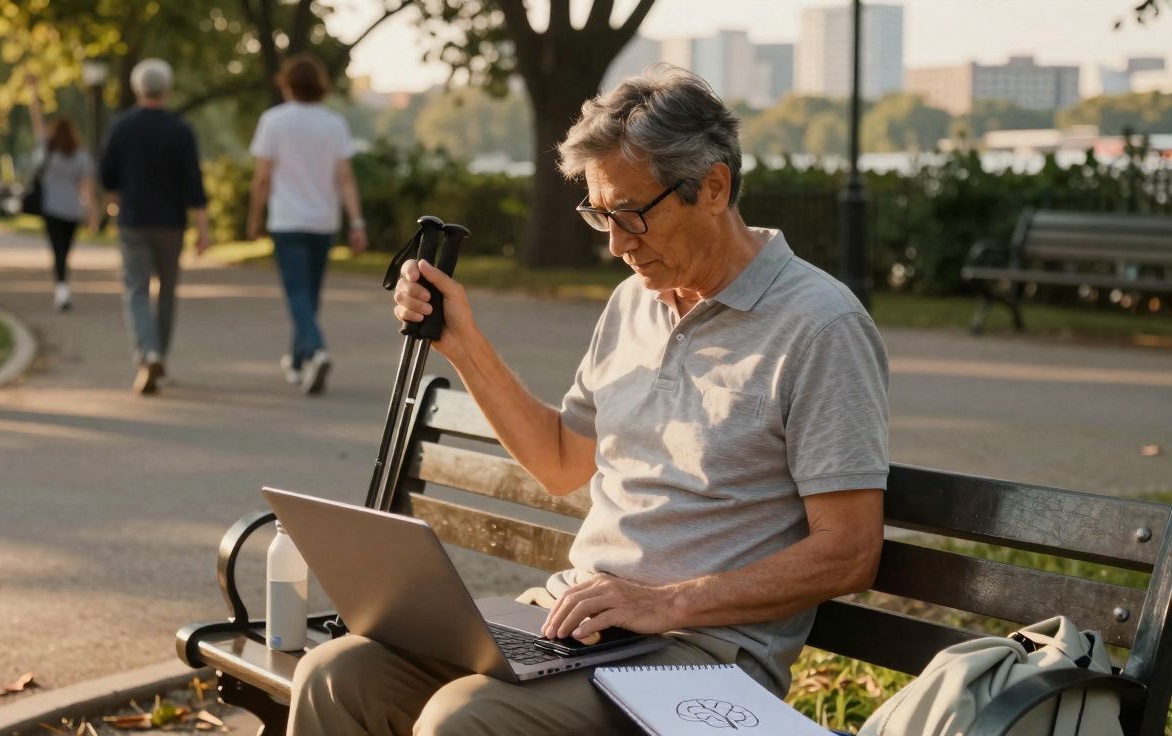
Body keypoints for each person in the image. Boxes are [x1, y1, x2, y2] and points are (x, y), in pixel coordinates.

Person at [288, 65, 890, 735]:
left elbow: (850, 550)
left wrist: (663, 603)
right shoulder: (632, 303)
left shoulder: (821, 325)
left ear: (713, 187)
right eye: (601, 215)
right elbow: (560, 462)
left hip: (699, 656)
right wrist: (463, 345)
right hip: (576, 625)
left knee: (463, 722)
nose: (616, 244)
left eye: (632, 215)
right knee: (336, 675)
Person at [247, 53, 368, 394]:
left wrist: (254, 219)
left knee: (297, 293)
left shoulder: (274, 121)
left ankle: (315, 351)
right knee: (310, 294)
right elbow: (345, 177)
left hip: (287, 221)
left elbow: (262, 177)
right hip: (322, 221)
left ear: (287, 84)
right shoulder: (334, 124)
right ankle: (298, 361)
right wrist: (357, 222)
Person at [98, 58, 210, 395]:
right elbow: (194, 182)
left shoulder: (122, 126)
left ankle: (146, 352)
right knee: (167, 291)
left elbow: (107, 175)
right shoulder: (181, 129)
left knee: (135, 289)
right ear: (168, 89)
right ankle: (159, 354)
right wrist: (203, 229)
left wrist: (111, 202)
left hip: (133, 220)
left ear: (137, 88)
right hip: (171, 224)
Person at [27, 73, 100, 312]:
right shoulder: (81, 156)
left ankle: (61, 288)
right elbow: (86, 189)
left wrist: (33, 92)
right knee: (65, 250)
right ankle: (62, 286)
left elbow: (37, 119)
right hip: (72, 209)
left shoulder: (50, 150)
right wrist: (91, 213)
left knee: (56, 249)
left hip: (51, 207)